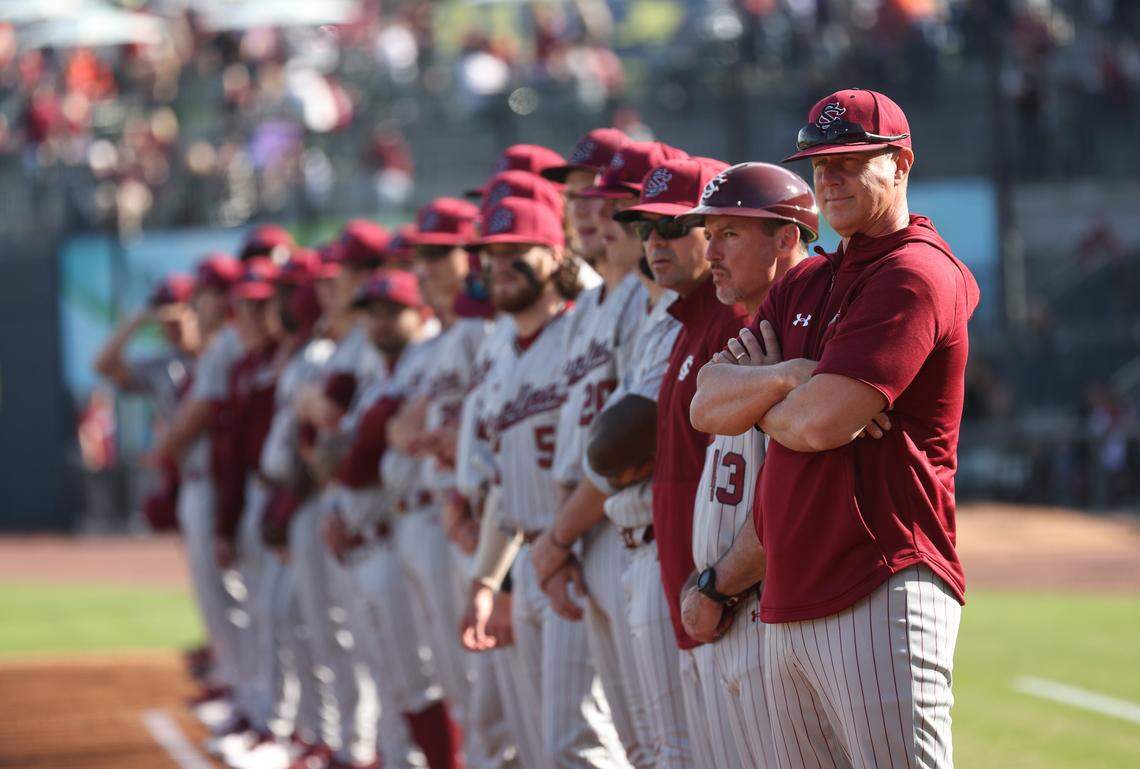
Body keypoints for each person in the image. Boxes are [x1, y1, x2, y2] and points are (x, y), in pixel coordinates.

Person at [689, 88, 980, 769]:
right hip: (789, 592)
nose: (831, 177)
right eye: (820, 164)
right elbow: (707, 404)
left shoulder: (914, 272)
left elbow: (821, 423)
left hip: (878, 578)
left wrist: (771, 396)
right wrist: (794, 373)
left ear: (901, 164)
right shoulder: (807, 281)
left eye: (850, 160)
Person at [461, 196, 629, 768]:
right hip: (530, 555)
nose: (500, 264)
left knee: (581, 744)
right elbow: (507, 488)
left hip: (583, 545)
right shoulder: (502, 352)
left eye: (517, 252)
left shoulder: (577, 330)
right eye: (491, 253)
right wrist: (489, 580)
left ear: (554, 254)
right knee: (543, 748)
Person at [672, 161, 820, 769]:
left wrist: (716, 585)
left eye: (728, 233)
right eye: (710, 235)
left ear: (786, 237)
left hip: (763, 605)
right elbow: (705, 402)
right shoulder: (758, 335)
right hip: (730, 604)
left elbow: (791, 497)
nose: (711, 252)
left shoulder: (810, 331)